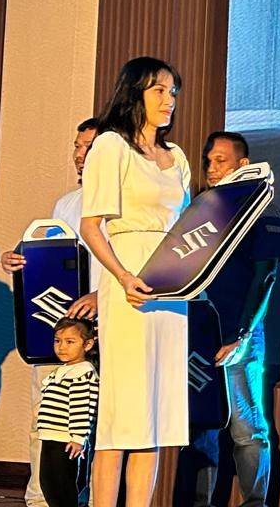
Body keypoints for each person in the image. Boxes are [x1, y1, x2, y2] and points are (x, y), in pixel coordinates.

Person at [79, 56, 192, 507]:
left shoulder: (176, 156)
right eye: (159, 90)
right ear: (135, 93)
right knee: (122, 416)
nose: (169, 100)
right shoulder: (111, 145)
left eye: (173, 92)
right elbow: (91, 226)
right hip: (128, 284)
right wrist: (123, 276)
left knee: (156, 417)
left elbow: (189, 228)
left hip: (171, 287)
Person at [172, 131, 280, 506]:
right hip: (198, 331)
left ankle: (254, 502)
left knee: (247, 427)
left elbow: (266, 275)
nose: (211, 168)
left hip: (239, 333)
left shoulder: (263, 210)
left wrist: (243, 332)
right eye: (208, 161)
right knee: (200, 423)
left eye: (220, 161)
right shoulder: (199, 209)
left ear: (242, 164)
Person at [0, 117, 100, 506]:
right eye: (77, 146)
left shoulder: (123, 207)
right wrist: (19, 260)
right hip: (58, 330)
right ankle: (39, 499)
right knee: (45, 419)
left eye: (88, 146)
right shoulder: (66, 203)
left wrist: (100, 297)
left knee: (89, 423)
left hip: (101, 331)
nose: (79, 154)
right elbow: (52, 256)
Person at [35, 317, 100, 507]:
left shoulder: (82, 372)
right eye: (58, 341)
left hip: (65, 440)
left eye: (70, 342)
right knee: (48, 482)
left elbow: (83, 407)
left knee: (62, 484)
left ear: (87, 344)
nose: (62, 347)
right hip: (50, 436)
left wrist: (78, 438)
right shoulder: (62, 370)